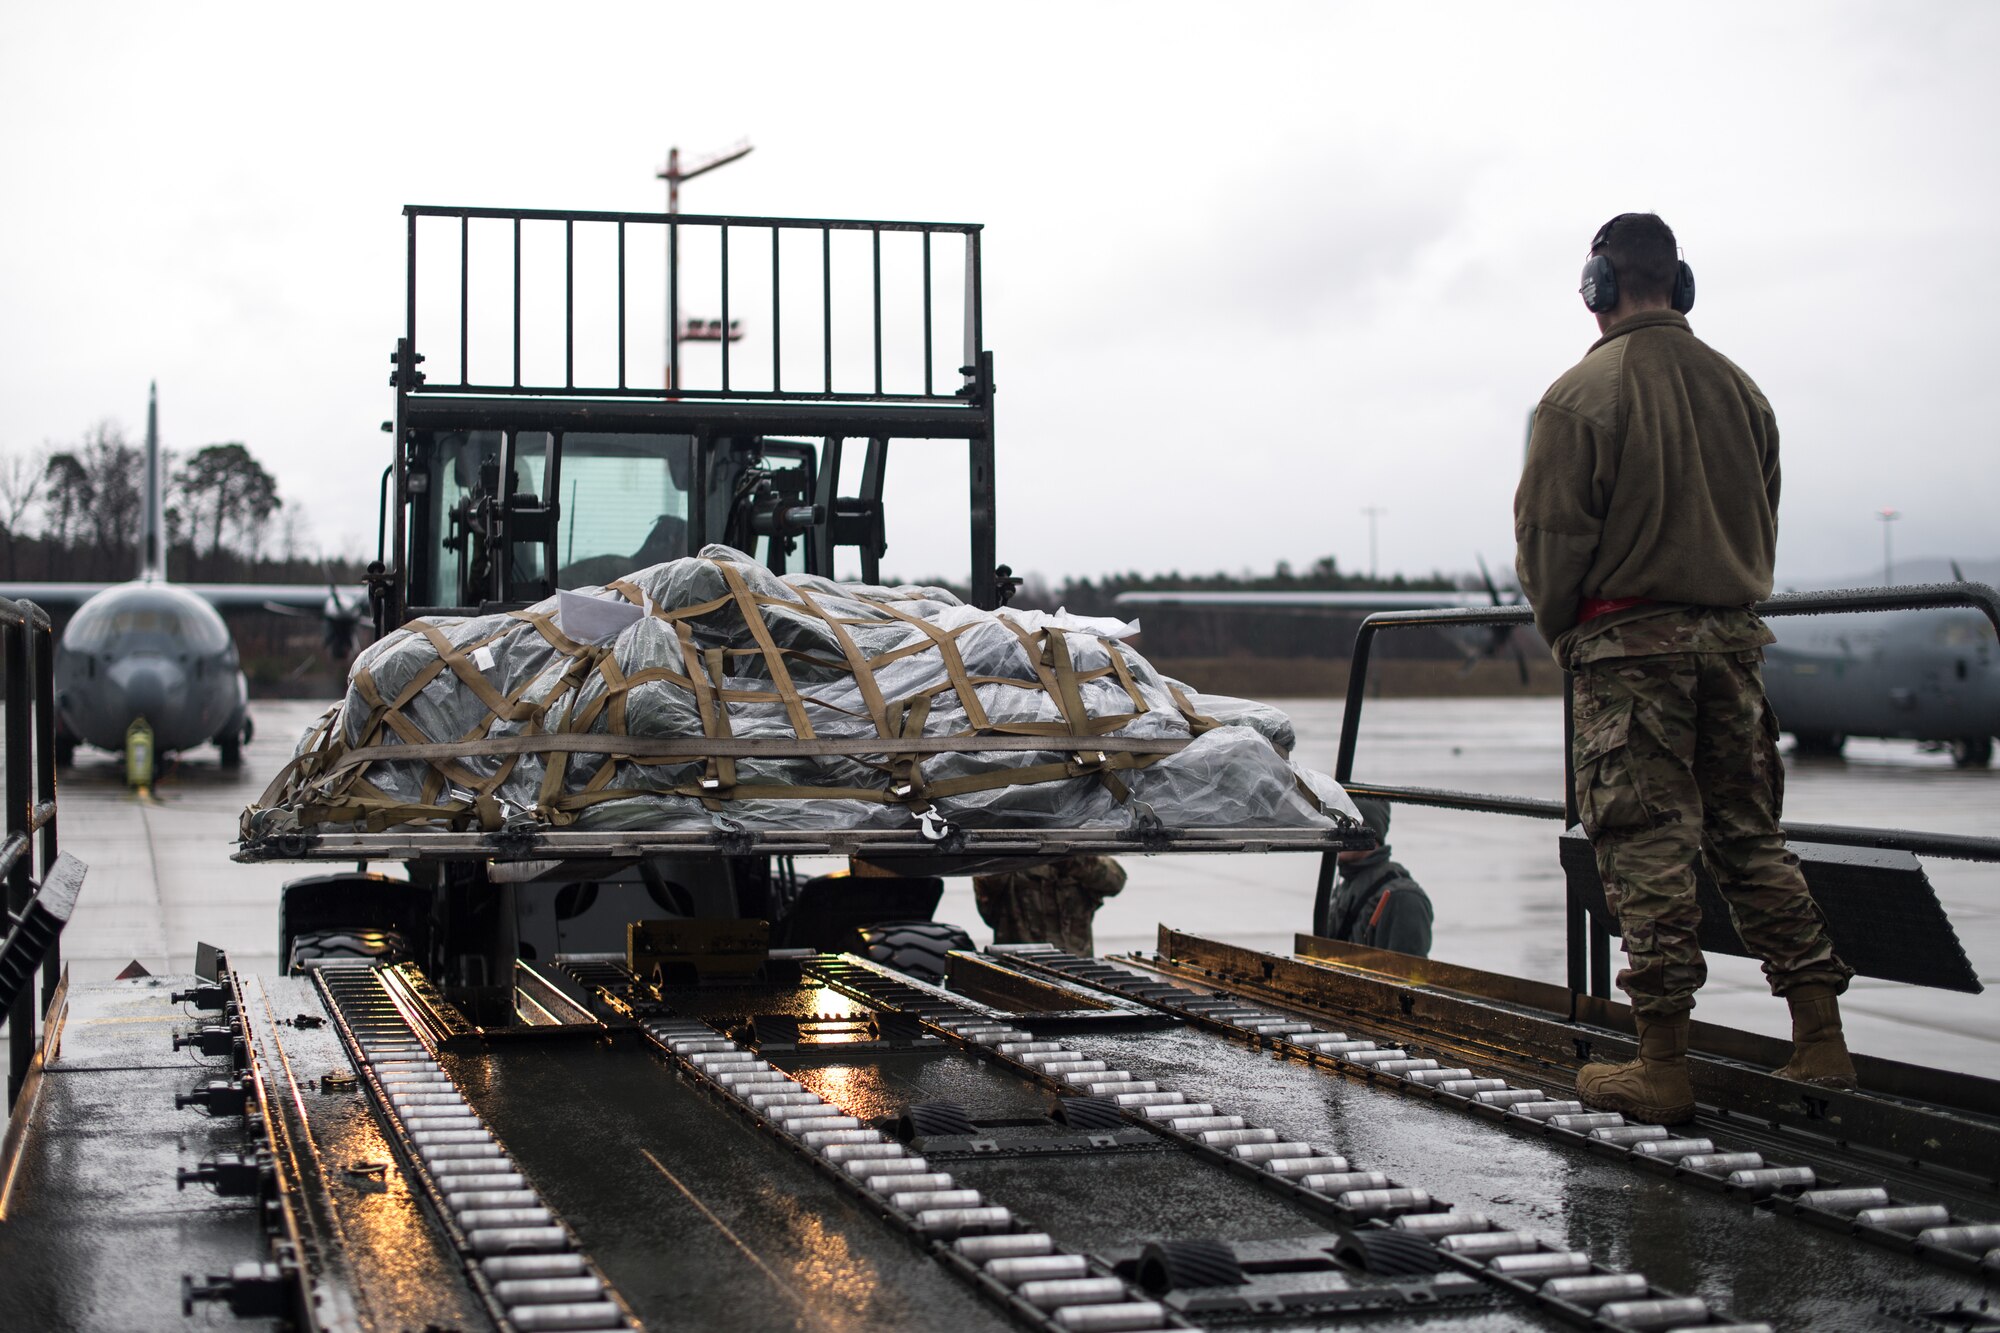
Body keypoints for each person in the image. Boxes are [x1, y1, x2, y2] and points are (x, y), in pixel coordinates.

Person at [1513, 212, 1856, 1124]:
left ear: (1598, 286)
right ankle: (1820, 1038)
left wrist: (1572, 637)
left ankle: (1662, 1062)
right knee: (1749, 836)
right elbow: (1764, 520)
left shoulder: (1577, 400)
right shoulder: (1745, 394)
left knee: (1647, 846)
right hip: (1734, 648)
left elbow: (1549, 549)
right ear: (1681, 283)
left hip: (1632, 656)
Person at [1315, 797, 1433, 956]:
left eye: (1348, 824)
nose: (1339, 831)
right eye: (1335, 822)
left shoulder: (1403, 899)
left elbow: (1406, 977)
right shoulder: (1344, 887)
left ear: (1371, 831)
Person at [972, 855, 1126, 956]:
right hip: (1019, 969)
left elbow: (1115, 880)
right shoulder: (1008, 864)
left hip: (1076, 969)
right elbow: (987, 887)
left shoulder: (1077, 860)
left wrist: (1067, 856)